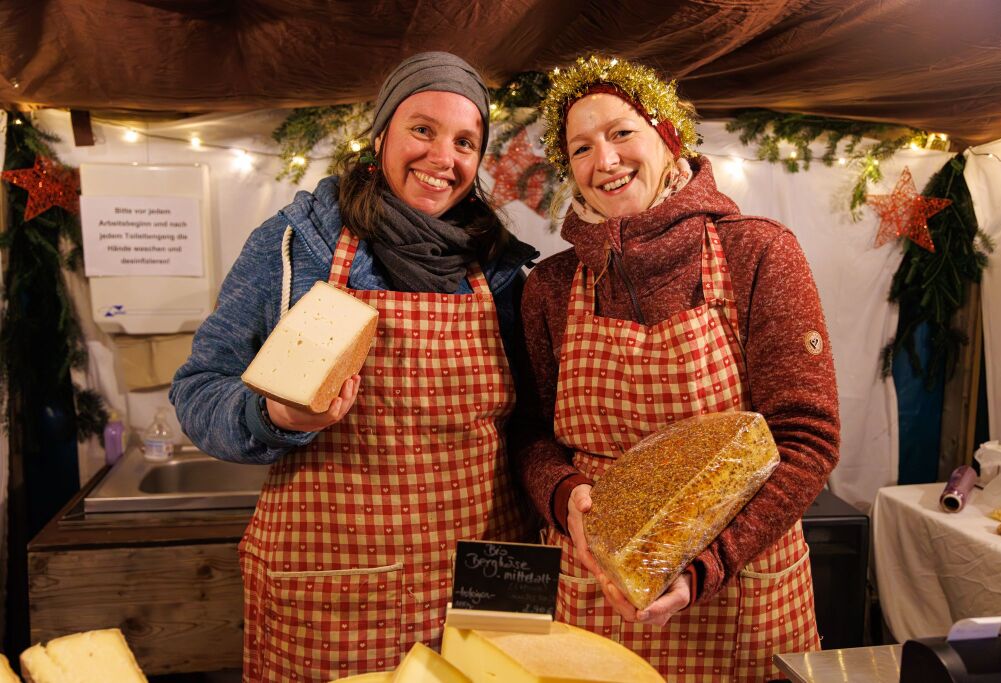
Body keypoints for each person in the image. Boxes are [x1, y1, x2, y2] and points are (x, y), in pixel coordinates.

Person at [170, 51, 539, 682]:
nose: (442, 157)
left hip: (485, 580)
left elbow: (533, 421)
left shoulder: (499, 267)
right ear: (382, 134)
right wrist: (273, 414)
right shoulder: (298, 245)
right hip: (335, 584)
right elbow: (198, 389)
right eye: (422, 129)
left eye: (465, 141)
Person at [511, 55, 841, 682]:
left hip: (740, 588)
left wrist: (705, 566)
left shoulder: (759, 253)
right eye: (580, 148)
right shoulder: (551, 287)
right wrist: (561, 496)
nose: (604, 161)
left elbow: (807, 436)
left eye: (621, 132)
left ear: (667, 136)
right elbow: (530, 433)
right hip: (598, 591)